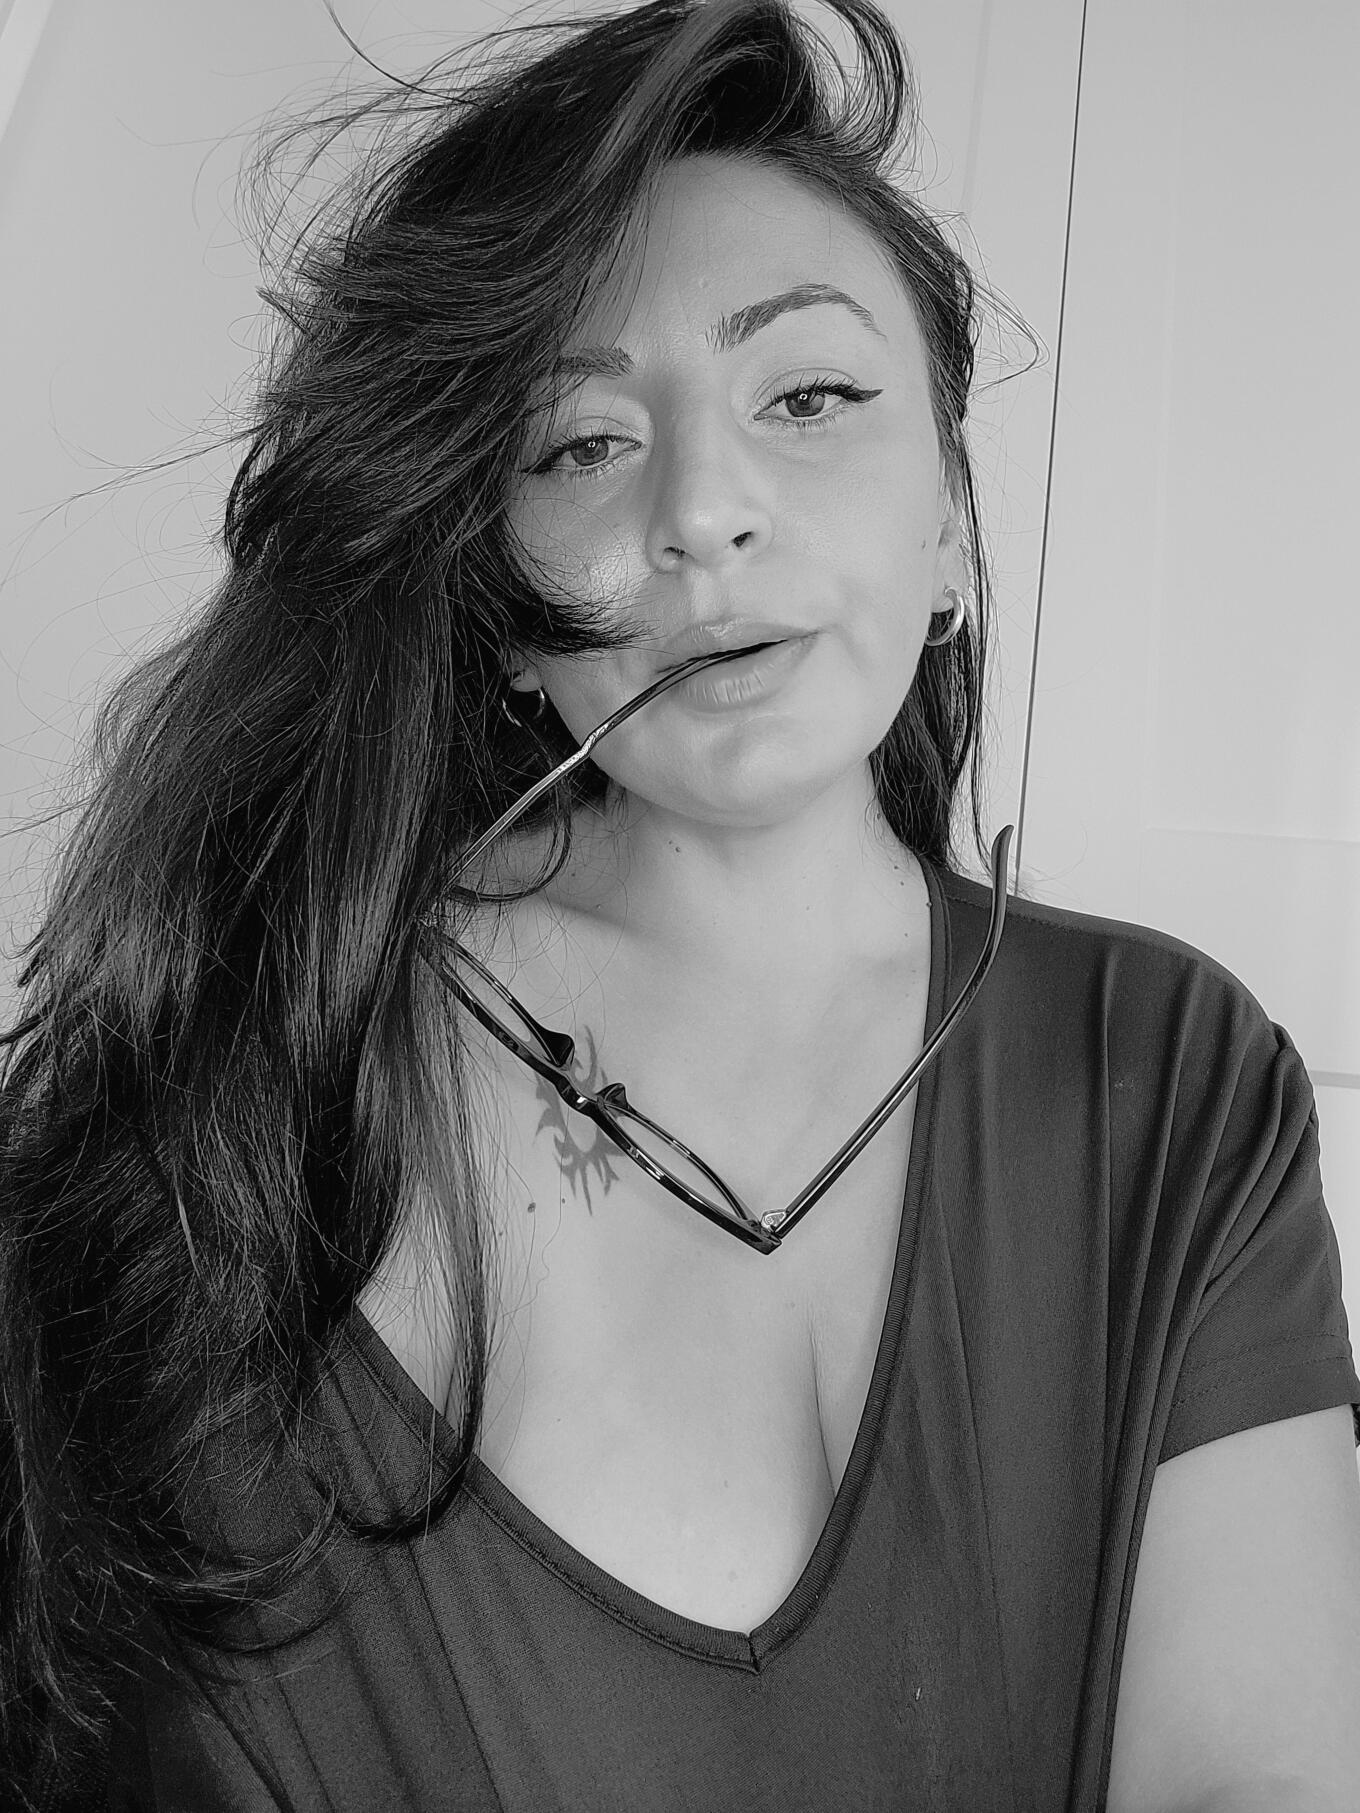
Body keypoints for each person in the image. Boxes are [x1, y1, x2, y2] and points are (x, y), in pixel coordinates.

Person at [3, 0, 1358, 1808]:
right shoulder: (243, 1083)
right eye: (579, 443)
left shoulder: (1175, 1079)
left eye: (809, 397)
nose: (706, 509)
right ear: (494, 597)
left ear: (953, 524)